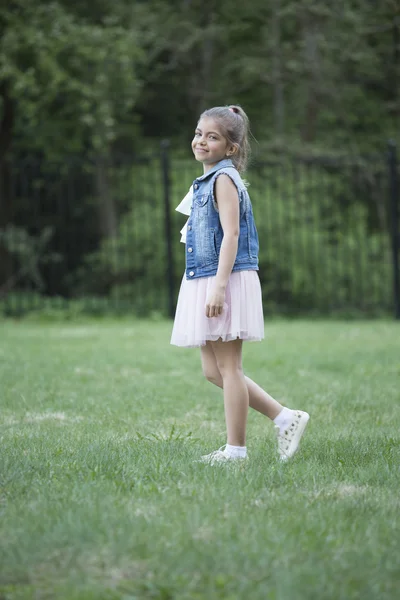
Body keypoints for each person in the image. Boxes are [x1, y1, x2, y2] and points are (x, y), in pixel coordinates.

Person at [171, 105, 309, 465]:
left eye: (212, 136)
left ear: (231, 148)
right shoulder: (205, 181)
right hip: (204, 277)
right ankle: (284, 417)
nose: (201, 141)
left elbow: (231, 235)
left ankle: (236, 451)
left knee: (230, 369)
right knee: (212, 371)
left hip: (224, 279)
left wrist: (218, 287)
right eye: (199, 133)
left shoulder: (224, 180)